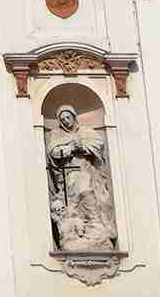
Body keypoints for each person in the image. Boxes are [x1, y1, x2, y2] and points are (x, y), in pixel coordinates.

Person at [46, 104, 117, 251]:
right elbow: (53, 150)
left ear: (73, 117)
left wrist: (81, 146)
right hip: (69, 173)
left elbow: (98, 143)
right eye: (62, 119)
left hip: (86, 170)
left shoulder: (86, 131)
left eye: (68, 117)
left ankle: (96, 226)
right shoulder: (56, 135)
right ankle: (76, 232)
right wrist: (71, 147)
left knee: (86, 192)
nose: (66, 121)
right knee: (73, 202)